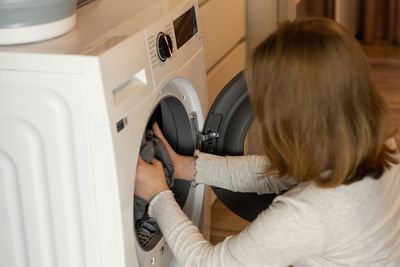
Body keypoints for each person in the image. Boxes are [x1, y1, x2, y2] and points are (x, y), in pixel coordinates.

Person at [134, 17, 400, 266]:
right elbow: (276, 173)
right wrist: (186, 167)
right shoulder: (381, 147)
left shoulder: (309, 213)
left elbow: (210, 264)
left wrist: (159, 196)